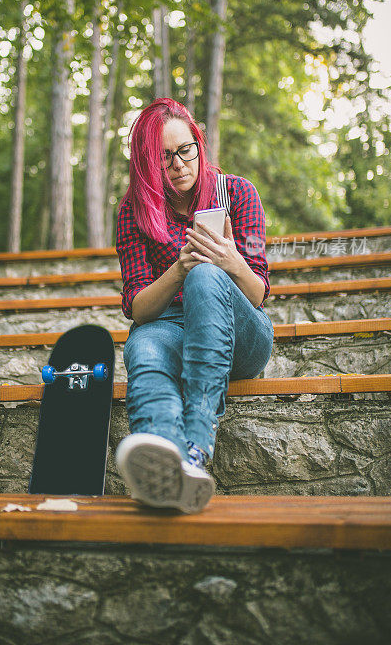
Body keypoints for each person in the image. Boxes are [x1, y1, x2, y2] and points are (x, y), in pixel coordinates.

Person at [115, 97, 274, 513]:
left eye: (186, 150)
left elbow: (258, 293)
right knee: (143, 347)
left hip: (240, 334)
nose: (179, 164)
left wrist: (228, 261)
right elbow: (139, 306)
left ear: (199, 145)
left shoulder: (238, 192)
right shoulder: (134, 210)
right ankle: (166, 463)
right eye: (164, 157)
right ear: (148, 164)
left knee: (207, 276)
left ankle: (195, 447)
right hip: (168, 325)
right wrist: (179, 269)